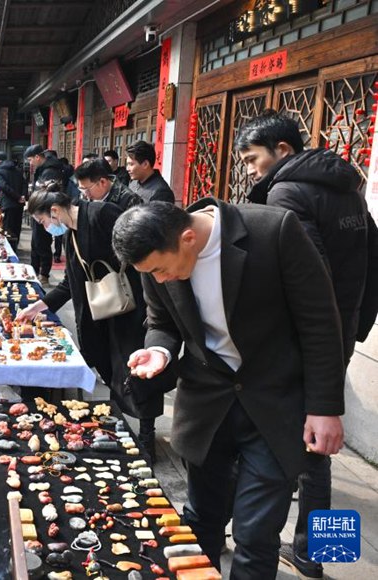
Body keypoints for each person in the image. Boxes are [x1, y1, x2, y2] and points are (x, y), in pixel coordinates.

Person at [113, 201, 345, 578]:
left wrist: (325, 407)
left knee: (255, 534)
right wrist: (158, 350)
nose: (158, 279)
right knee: (201, 520)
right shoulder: (155, 258)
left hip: (274, 402)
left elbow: (320, 321)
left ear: (188, 239)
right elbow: (161, 323)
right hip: (208, 403)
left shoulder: (274, 231)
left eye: (159, 270)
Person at [235, 110, 378, 579]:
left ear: (283, 152)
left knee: (302, 445)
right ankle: (320, 553)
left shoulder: (287, 191)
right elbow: (371, 265)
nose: (253, 171)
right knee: (321, 450)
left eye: (255, 160)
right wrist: (354, 327)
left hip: (302, 341)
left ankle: (295, 552)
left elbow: (304, 278)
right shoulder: (346, 189)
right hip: (338, 334)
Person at [15, 182, 164, 455]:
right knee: (110, 368)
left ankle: (146, 436)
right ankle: (118, 424)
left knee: (137, 371)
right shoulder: (69, 233)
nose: (45, 227)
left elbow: (135, 251)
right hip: (100, 312)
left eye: (42, 221)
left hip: (130, 307)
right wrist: (39, 306)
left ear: (55, 210)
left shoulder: (100, 214)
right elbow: (71, 282)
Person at [25, 145, 64, 283]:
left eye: (30, 160)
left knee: (42, 242)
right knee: (35, 242)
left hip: (45, 212)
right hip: (38, 210)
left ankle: (44, 274)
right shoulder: (42, 169)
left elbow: (48, 193)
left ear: (37, 157)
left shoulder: (50, 171)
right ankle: (34, 270)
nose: (30, 163)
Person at [74, 158, 143, 210]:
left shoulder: (130, 200)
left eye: (87, 190)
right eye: (82, 190)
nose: (85, 194)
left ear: (102, 182)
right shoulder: (85, 197)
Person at [0, 152, 26, 249]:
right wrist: (22, 196)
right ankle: (15, 248)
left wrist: (17, 197)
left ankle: (9, 250)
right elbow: (24, 183)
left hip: (8, 203)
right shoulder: (17, 169)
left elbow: (3, 186)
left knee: (8, 229)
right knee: (17, 227)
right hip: (19, 204)